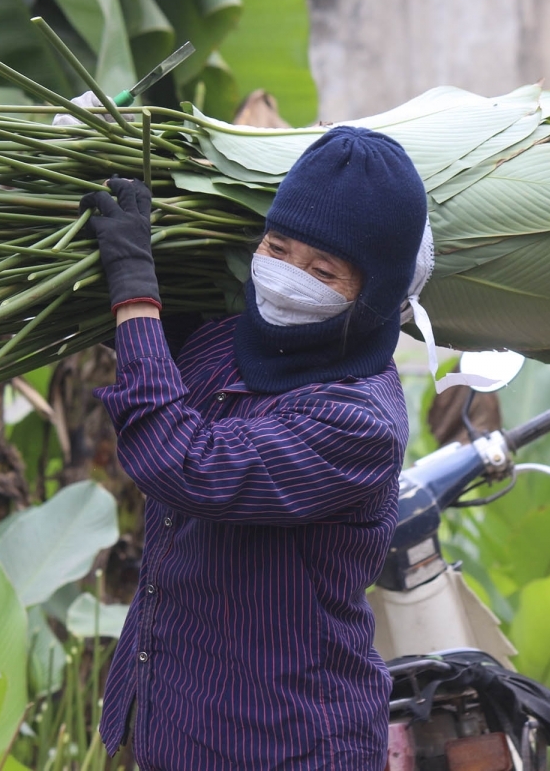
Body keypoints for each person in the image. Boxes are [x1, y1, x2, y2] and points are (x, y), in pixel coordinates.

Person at [80, 125, 428, 769]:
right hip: (169, 721)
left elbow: (183, 462)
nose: (286, 276)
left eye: (322, 270)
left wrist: (134, 286)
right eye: (277, 246)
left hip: (282, 744)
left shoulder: (356, 423)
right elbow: (147, 361)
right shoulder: (225, 341)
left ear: (373, 294)